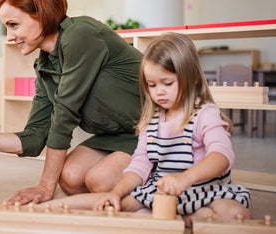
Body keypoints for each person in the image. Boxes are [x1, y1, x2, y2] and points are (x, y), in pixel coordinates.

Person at [0, 0, 142, 205]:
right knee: (69, 178)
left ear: (42, 14)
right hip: (115, 136)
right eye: (6, 27)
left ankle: (167, 171)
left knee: (100, 180)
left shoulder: (80, 34)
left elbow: (64, 117)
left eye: (14, 25)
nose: (10, 36)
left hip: (152, 130)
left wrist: (45, 186)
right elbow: (33, 138)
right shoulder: (44, 66)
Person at [41, 33, 251, 226]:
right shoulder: (151, 120)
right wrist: (116, 192)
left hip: (207, 190)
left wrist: (185, 179)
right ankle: (49, 208)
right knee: (115, 204)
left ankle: (179, 217)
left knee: (235, 215)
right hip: (162, 192)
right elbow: (140, 164)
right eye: (151, 85)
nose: (159, 92)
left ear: (193, 78)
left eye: (167, 83)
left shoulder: (205, 113)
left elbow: (221, 156)